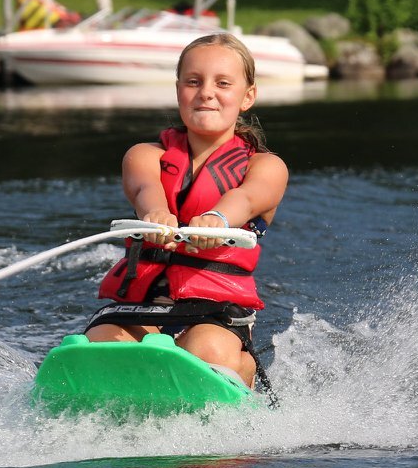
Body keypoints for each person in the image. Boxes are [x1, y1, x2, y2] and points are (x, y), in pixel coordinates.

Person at [85, 32, 289, 388]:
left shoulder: (266, 167)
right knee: (103, 345)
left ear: (248, 96)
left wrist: (217, 220)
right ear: (178, 89)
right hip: (143, 302)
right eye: (193, 81)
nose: (206, 92)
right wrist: (155, 214)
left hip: (214, 310)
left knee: (206, 350)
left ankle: (242, 372)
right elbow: (145, 188)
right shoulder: (145, 155)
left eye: (223, 83)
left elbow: (247, 198)